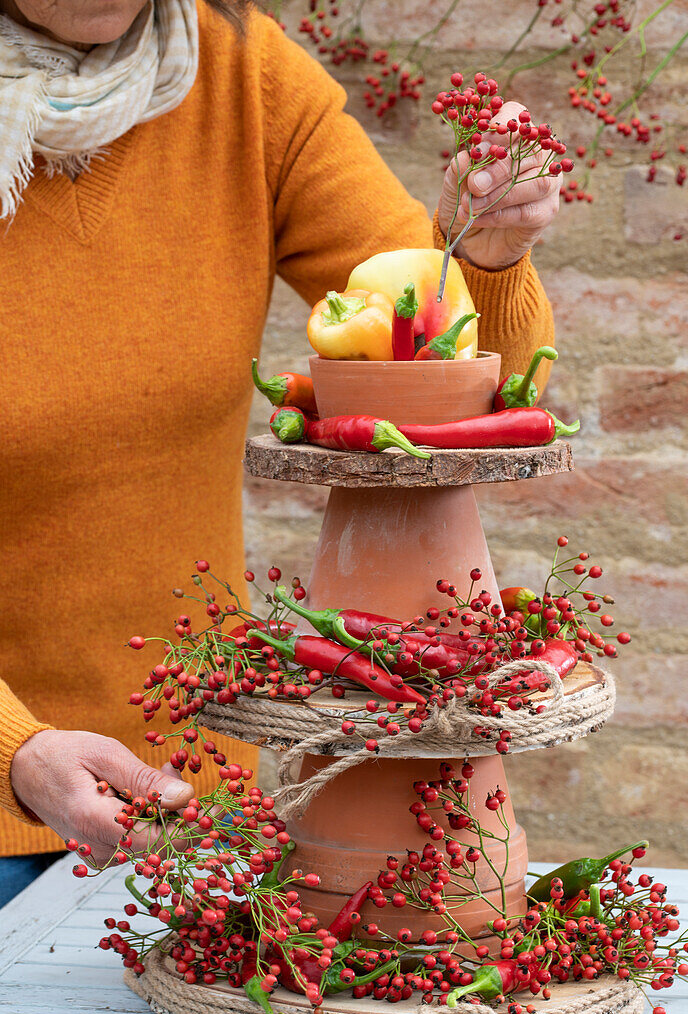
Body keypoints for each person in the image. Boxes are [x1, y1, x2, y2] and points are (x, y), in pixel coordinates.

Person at [0, 0, 559, 906]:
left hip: (180, 808)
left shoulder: (241, 78)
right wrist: (13, 747)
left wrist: (486, 258)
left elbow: (449, 362)